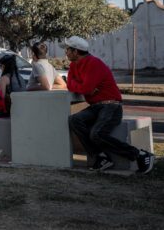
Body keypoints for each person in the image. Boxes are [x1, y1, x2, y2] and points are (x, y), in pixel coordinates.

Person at [64, 36, 155, 174]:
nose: (66, 52)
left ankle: (140, 155)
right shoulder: (73, 66)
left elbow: (86, 89)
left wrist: (84, 86)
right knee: (74, 120)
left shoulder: (94, 63)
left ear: (76, 51)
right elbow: (70, 85)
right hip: (95, 106)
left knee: (97, 134)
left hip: (111, 106)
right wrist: (82, 86)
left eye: (68, 49)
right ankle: (101, 157)